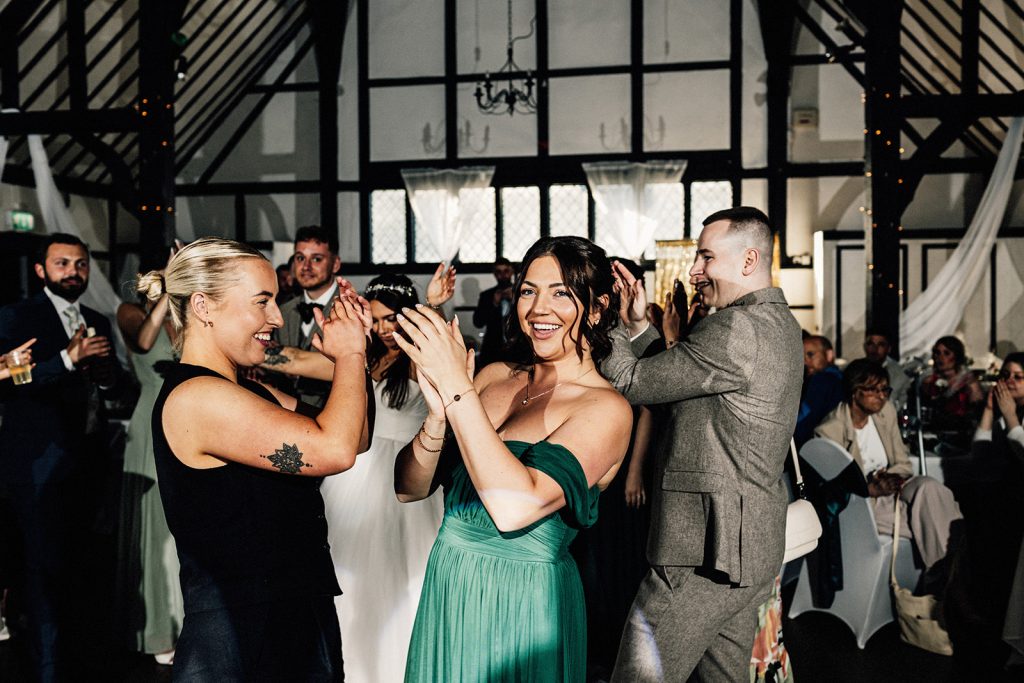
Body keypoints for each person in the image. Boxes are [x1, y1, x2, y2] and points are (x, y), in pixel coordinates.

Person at [394, 236, 632, 681]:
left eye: (561, 292)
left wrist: (457, 390)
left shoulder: (605, 409)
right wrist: (437, 419)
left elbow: (515, 508)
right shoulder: (493, 377)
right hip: (450, 585)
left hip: (523, 604)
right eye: (529, 290)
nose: (539, 309)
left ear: (598, 308)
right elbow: (409, 488)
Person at [141, 237, 371, 680]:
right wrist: (351, 353)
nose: (276, 318)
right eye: (262, 301)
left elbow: (354, 436)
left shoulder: (251, 391)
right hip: (240, 635)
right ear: (204, 307)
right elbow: (334, 450)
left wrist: (357, 360)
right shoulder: (197, 397)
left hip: (294, 618)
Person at [603, 207, 803, 682]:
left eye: (705, 256)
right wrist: (638, 327)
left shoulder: (736, 328)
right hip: (748, 547)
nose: (695, 270)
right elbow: (683, 385)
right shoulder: (777, 323)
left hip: (704, 548)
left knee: (638, 677)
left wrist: (603, 317)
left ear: (748, 260)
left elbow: (633, 383)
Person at [0, 232, 126, 682]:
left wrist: (107, 375)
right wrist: (67, 360)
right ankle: (46, 670)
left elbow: (115, 387)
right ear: (40, 271)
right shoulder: (17, 316)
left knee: (83, 571)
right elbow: (9, 380)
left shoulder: (97, 319)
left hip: (89, 463)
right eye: (62, 264)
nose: (73, 272)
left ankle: (82, 665)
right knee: (41, 573)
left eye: (80, 264)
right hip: (37, 467)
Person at [319, 274, 446, 682]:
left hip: (406, 476)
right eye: (375, 320)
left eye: (392, 318)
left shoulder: (418, 358)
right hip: (356, 472)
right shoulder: (363, 357)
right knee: (350, 575)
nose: (384, 329)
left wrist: (435, 306)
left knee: (407, 579)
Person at [815, 359, 963, 576]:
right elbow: (829, 492)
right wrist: (869, 486)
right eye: (874, 390)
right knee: (936, 520)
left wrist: (887, 477)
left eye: (885, 389)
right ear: (855, 392)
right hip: (865, 501)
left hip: (895, 486)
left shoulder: (886, 413)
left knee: (930, 487)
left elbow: (903, 464)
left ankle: (947, 581)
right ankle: (950, 580)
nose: (882, 396)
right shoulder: (829, 431)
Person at [114, 244, 183, 665]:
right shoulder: (129, 312)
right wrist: (163, 295)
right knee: (155, 530)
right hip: (148, 423)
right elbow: (142, 344)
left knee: (181, 526)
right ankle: (157, 630)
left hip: (185, 420)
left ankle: (184, 621)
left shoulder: (180, 318)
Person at [972, 352, 1024, 667]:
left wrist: (1013, 418)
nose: (1009, 382)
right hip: (1001, 502)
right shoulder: (1005, 410)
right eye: (1005, 375)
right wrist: (991, 412)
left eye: (1018, 376)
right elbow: (980, 457)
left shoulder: (1017, 415)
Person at [265, 225, 344, 410]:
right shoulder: (282, 310)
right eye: (300, 258)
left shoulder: (350, 309)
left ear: (335, 264)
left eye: (316, 259)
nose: (306, 267)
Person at [921, 335, 984, 436]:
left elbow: (977, 414)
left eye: (947, 353)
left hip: (960, 434)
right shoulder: (929, 381)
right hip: (932, 433)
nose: (940, 358)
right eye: (937, 353)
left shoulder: (969, 382)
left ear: (957, 356)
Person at [794, 334, 844, 446]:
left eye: (810, 354)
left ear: (829, 354)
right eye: (802, 356)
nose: (805, 362)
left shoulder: (821, 379)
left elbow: (803, 418)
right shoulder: (841, 377)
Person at [472, 256, 516, 367]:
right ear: (494, 274)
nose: (503, 275)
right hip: (492, 350)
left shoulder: (521, 293)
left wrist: (515, 300)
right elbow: (478, 322)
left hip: (517, 349)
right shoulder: (486, 296)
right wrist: (494, 304)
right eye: (498, 272)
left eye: (506, 271)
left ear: (511, 272)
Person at [863, 329, 910, 409]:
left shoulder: (900, 374)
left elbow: (900, 405)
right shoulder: (856, 370)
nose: (875, 349)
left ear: (889, 349)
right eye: (871, 344)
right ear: (865, 347)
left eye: (881, 345)